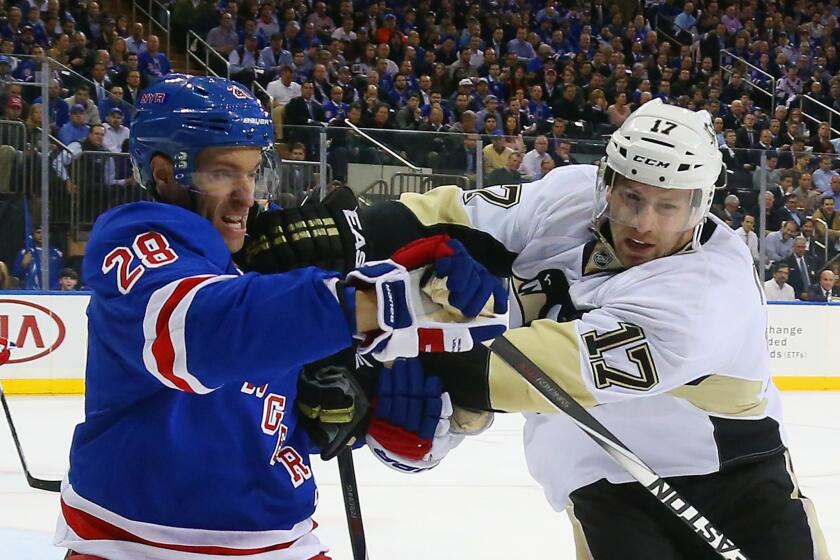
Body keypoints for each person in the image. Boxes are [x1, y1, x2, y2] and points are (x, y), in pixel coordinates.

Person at [55, 74, 504, 560]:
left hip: (281, 539)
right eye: (224, 173)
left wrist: (357, 416)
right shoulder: (134, 239)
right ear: (165, 173)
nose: (247, 196)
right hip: (136, 545)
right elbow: (202, 335)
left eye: (253, 174)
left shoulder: (254, 269)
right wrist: (380, 301)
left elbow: (256, 409)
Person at [352, 99, 828, 557]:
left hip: (738, 484)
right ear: (607, 183)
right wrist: (327, 240)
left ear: (701, 206)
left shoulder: (706, 295)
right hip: (601, 485)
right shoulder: (568, 196)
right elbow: (427, 219)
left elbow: (501, 375)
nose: (643, 224)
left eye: (669, 207)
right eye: (631, 197)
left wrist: (354, 352)